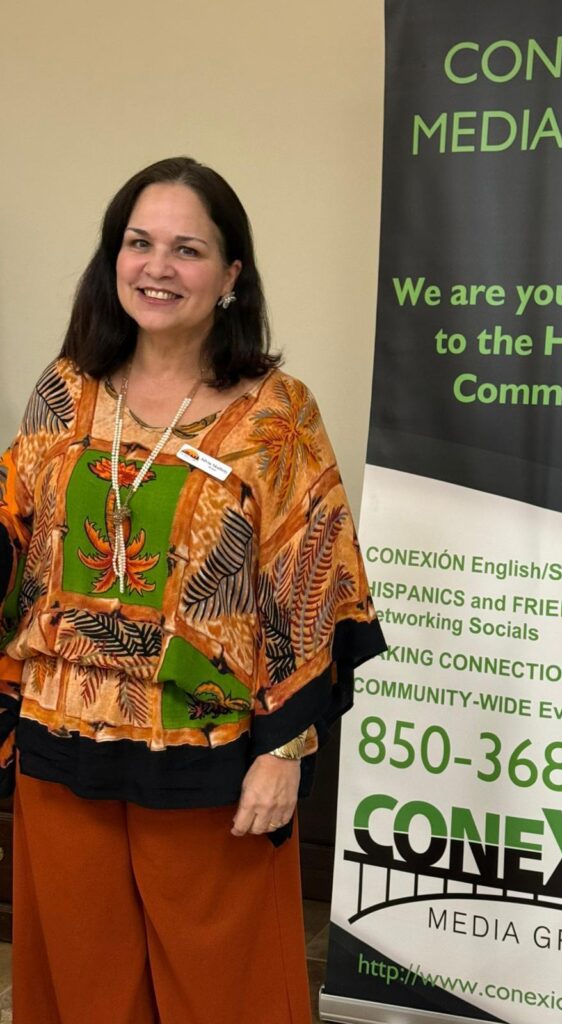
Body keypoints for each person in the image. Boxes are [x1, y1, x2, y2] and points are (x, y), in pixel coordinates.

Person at [0, 156, 385, 1023]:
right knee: (83, 992)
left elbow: (312, 584)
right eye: (139, 243)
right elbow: (15, 549)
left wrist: (285, 754)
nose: (158, 268)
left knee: (228, 995)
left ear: (231, 276)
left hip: (212, 756)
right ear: (114, 259)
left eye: (188, 249)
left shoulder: (277, 412)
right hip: (61, 740)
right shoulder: (64, 392)